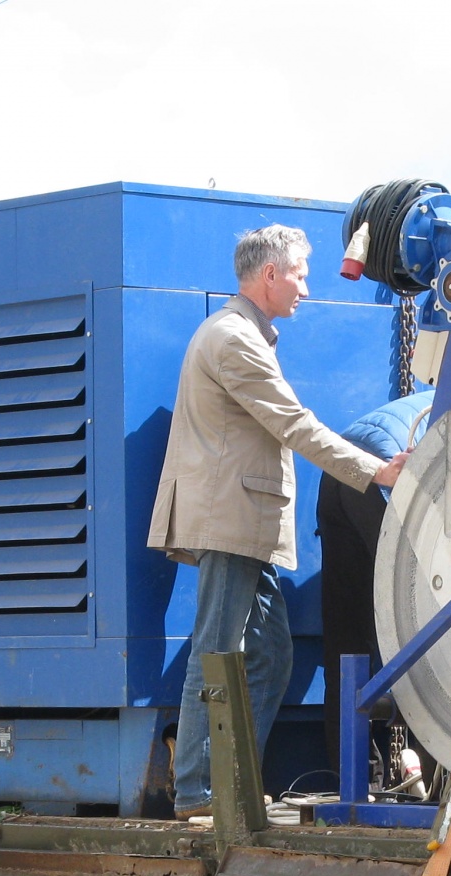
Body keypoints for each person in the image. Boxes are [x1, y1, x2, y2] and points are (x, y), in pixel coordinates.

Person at [148, 225, 406, 818]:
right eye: (300, 274)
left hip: (244, 521)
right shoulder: (234, 340)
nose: (307, 289)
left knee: (269, 656)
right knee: (217, 649)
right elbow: (295, 424)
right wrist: (376, 472)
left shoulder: (243, 335)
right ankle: (198, 790)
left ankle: (231, 783)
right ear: (270, 276)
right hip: (230, 519)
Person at [318, 392, 430, 770]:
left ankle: (347, 772)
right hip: (386, 469)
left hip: (343, 465)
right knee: (429, 623)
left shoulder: (440, 394)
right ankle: (434, 769)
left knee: (347, 633)